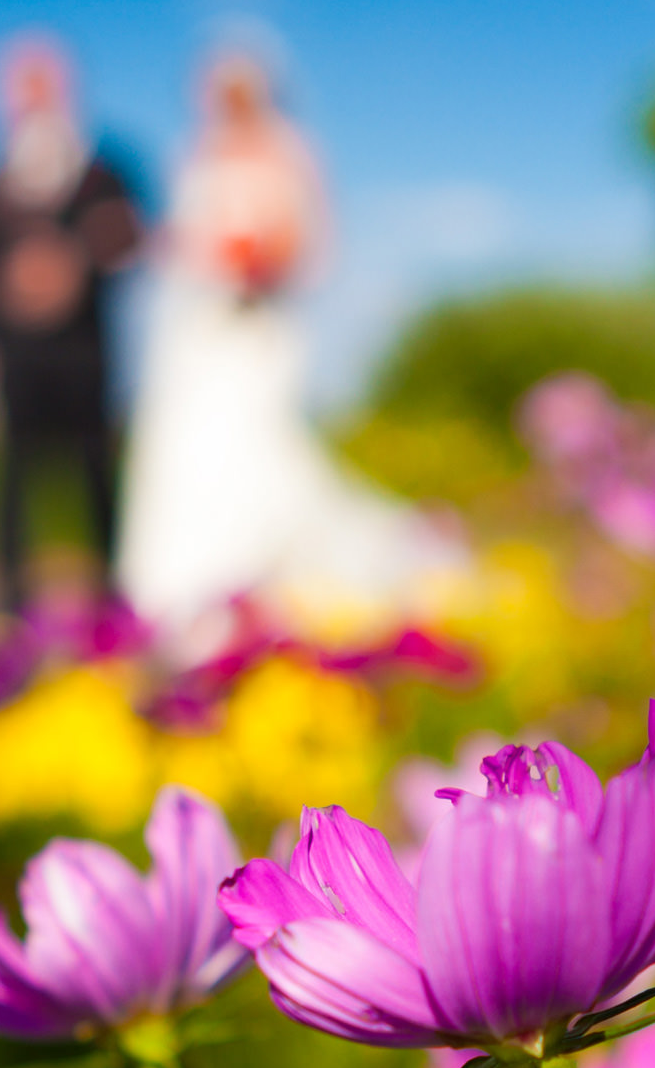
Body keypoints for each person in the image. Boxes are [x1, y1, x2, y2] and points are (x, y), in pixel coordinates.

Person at [117, 52, 455, 637]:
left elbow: (307, 241)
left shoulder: (291, 151)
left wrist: (256, 258)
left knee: (253, 447)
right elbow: (178, 238)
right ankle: (173, 594)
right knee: (187, 452)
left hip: (256, 325)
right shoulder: (192, 154)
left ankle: (257, 585)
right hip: (195, 330)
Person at [0, 37, 144, 612]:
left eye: (42, 82)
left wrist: (72, 263)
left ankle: (107, 593)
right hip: (16, 347)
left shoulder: (104, 164)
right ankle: (8, 599)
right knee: (12, 475)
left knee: (94, 469)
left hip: (84, 345)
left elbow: (131, 238)